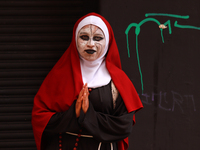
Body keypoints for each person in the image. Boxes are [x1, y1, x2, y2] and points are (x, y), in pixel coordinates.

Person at [31, 12, 143, 150]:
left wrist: (88, 115)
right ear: (75, 39)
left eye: (98, 38)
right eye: (84, 37)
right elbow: (40, 118)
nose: (91, 44)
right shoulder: (59, 76)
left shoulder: (118, 81)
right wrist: (73, 114)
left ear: (107, 42)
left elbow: (124, 126)